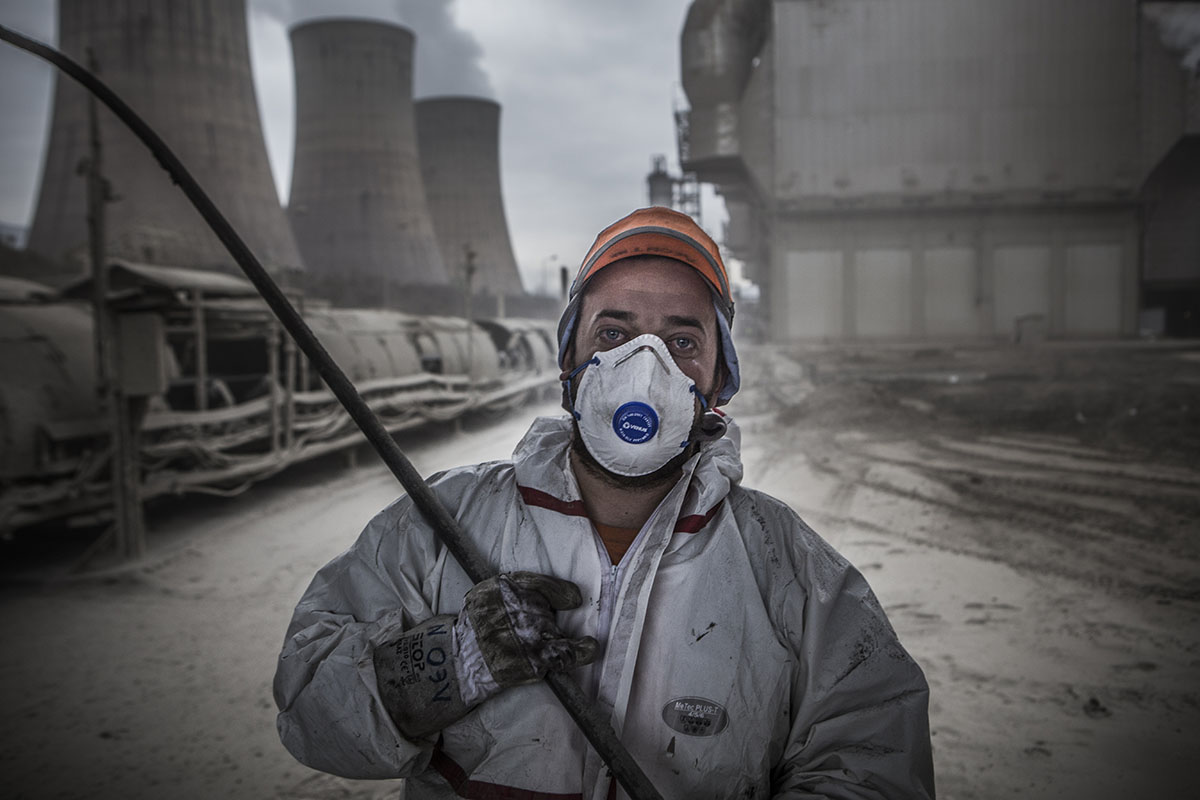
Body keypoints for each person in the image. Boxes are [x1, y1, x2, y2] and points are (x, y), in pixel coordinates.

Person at [274, 207, 936, 799]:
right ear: (570, 359)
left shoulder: (790, 569)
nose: (644, 367)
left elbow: (873, 761)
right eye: (614, 334)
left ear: (718, 381)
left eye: (681, 341)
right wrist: (450, 663)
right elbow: (308, 713)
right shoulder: (442, 525)